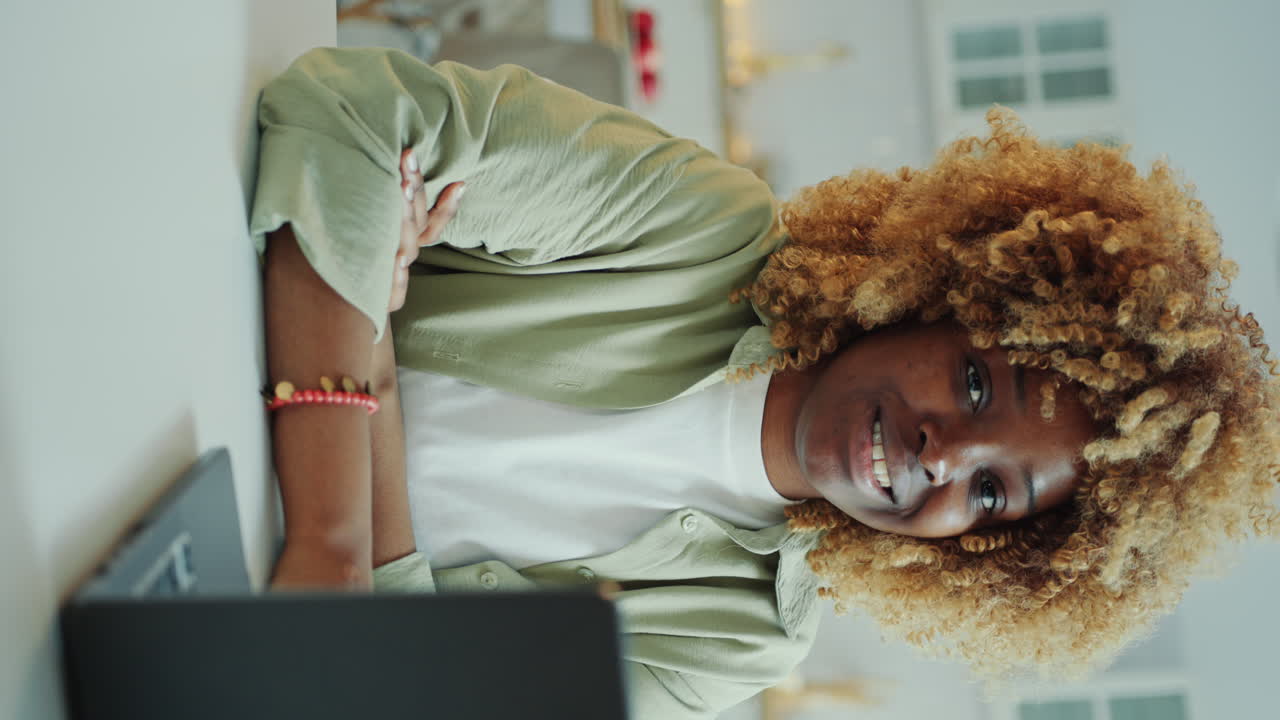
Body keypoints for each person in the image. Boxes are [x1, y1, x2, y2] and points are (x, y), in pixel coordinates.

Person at [250, 47, 1280, 718]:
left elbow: (412, 696)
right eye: (974, 386)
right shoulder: (700, 230)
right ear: (945, 290)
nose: (945, 457)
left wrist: (369, 343)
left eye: (992, 494)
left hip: (212, 598)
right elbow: (348, 115)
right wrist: (336, 544)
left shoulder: (735, 637)